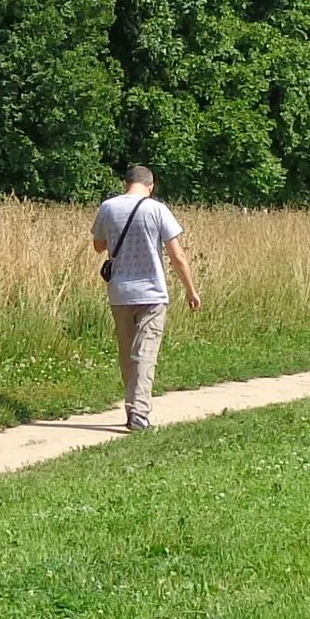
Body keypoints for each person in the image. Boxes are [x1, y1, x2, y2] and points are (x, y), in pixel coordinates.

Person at [92, 163, 200, 431]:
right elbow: (177, 255)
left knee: (127, 353)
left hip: (120, 291)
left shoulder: (108, 207)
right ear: (150, 186)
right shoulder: (157, 209)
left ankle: (132, 406)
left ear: (125, 183)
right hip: (152, 291)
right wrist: (191, 289)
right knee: (146, 352)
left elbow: (98, 246)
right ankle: (139, 413)